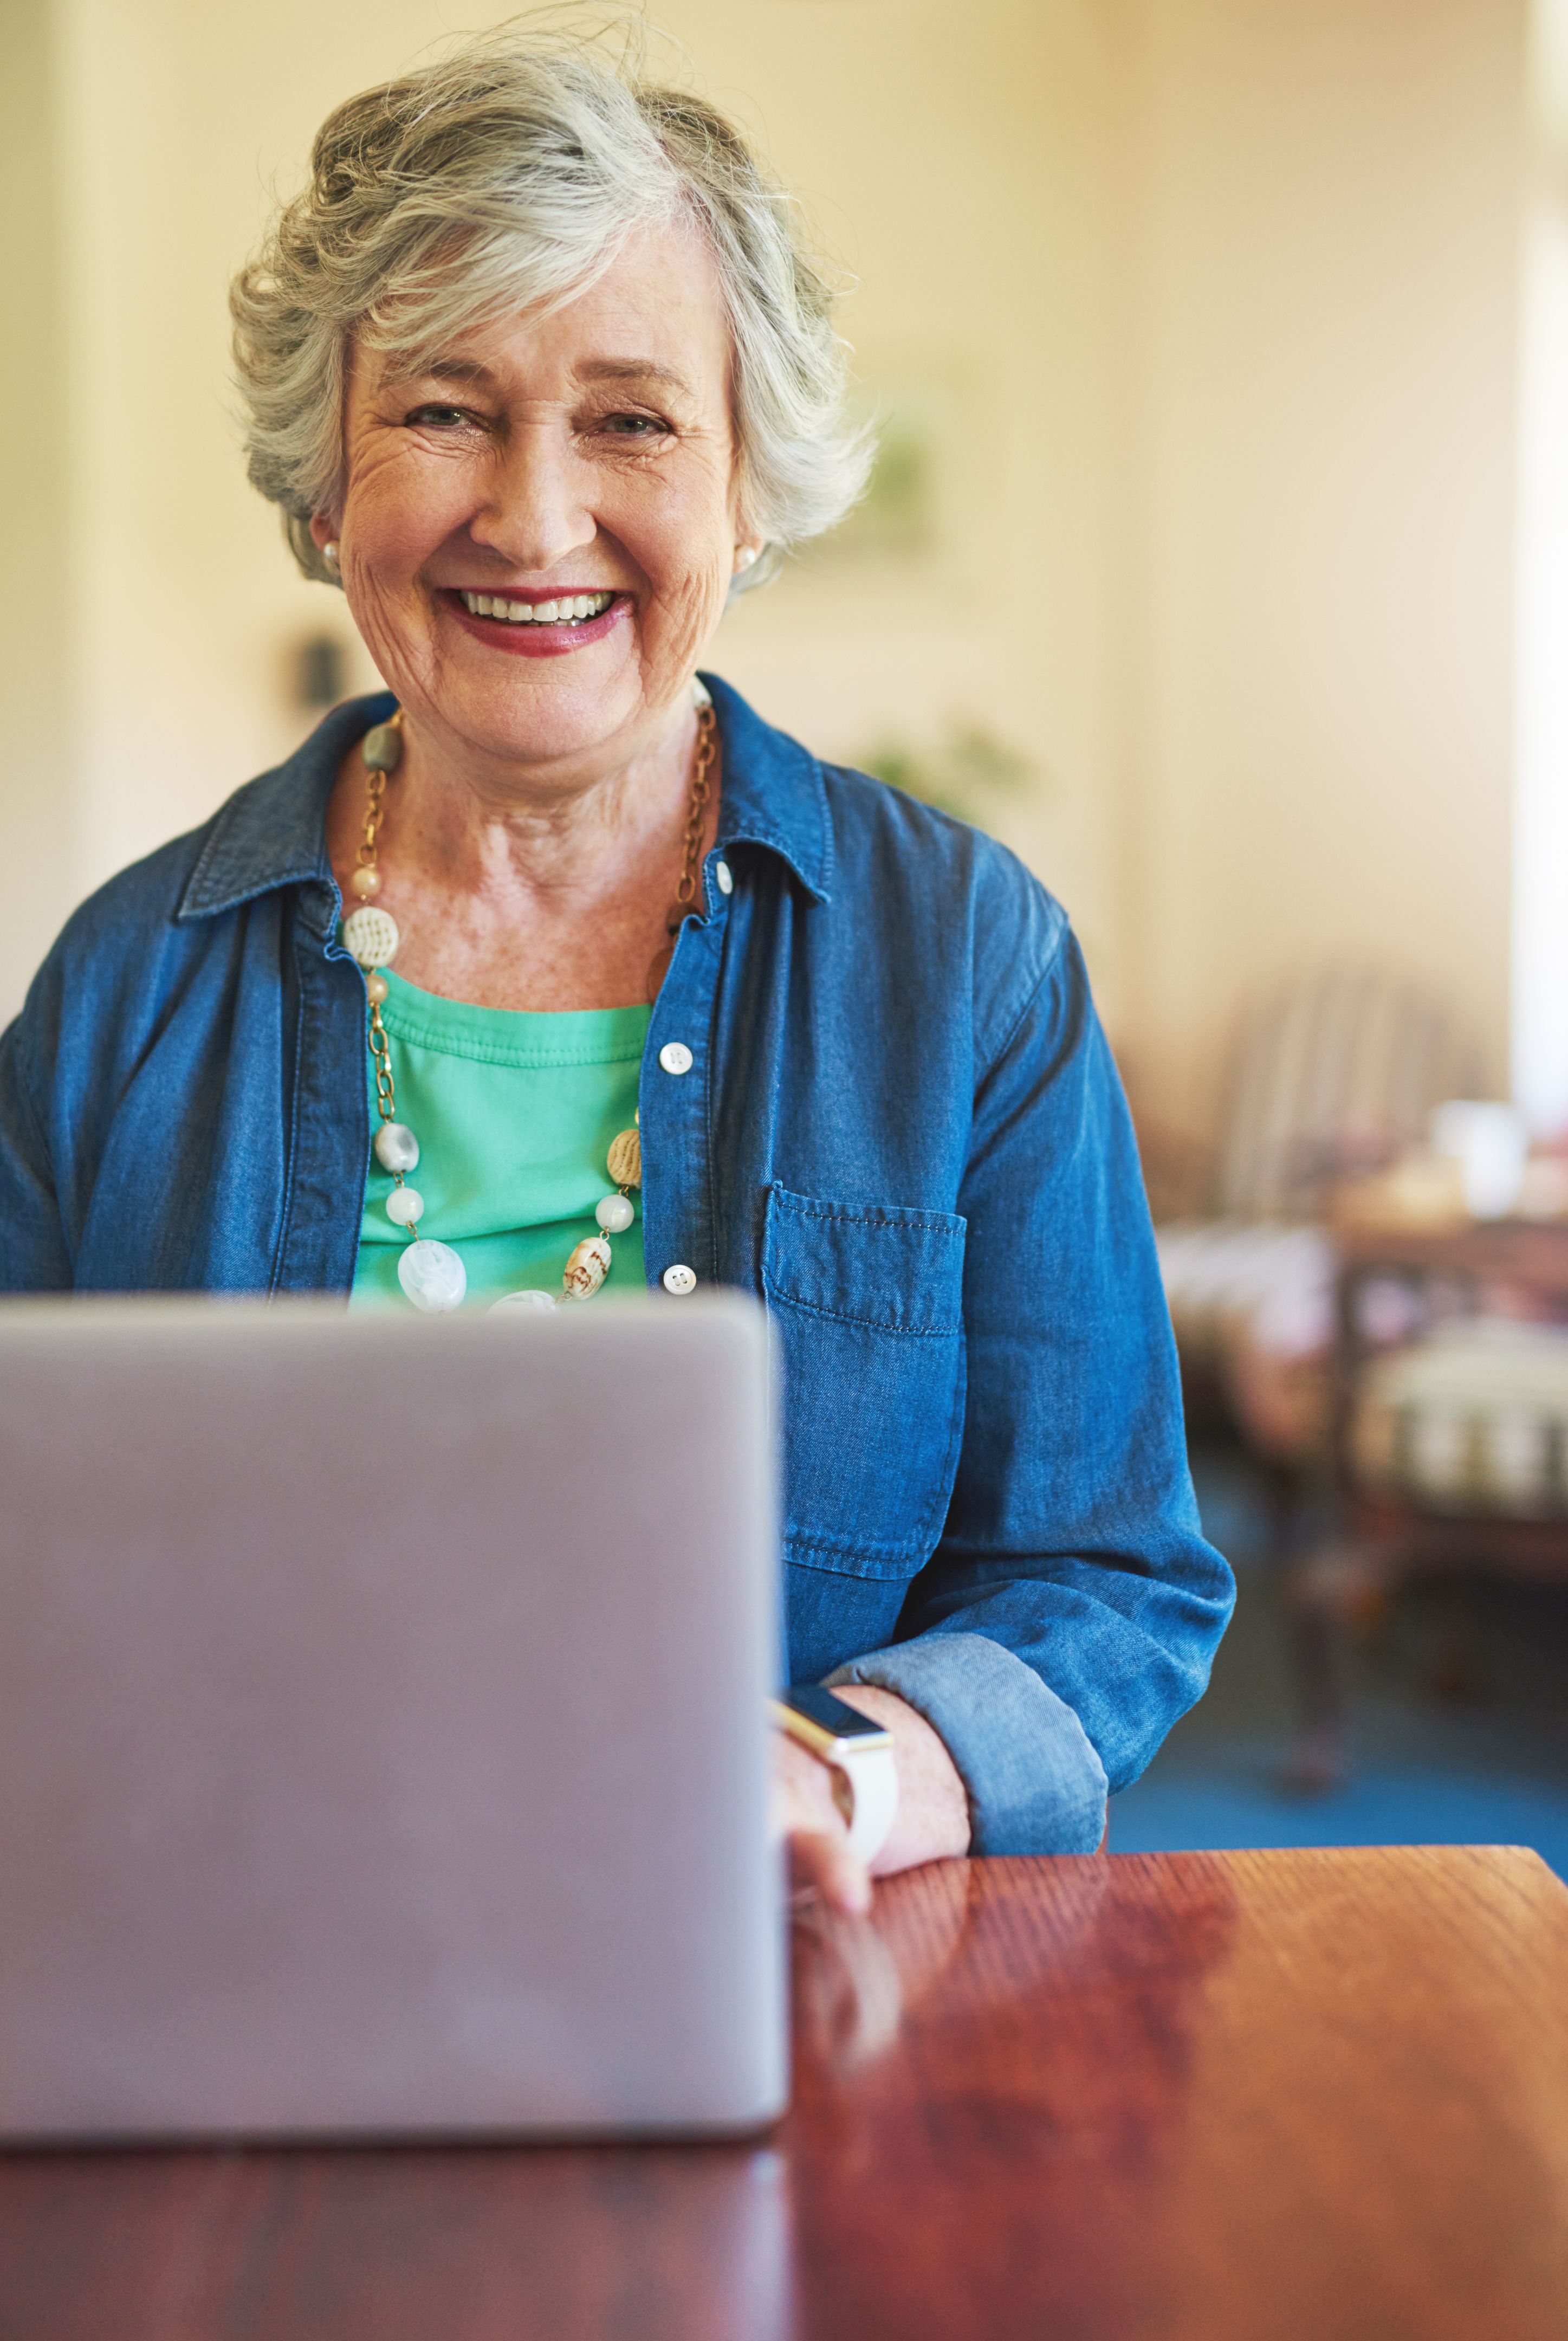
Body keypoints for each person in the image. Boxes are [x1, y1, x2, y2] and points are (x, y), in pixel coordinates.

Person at [0, 27, 1232, 1911]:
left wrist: (844, 1777)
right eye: (444, 409)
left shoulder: (966, 964)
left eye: (633, 421)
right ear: (324, 487)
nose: (535, 517)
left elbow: (1106, 1577)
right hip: (229, 1934)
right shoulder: (120, 988)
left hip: (787, 1965)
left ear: (752, 491)